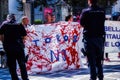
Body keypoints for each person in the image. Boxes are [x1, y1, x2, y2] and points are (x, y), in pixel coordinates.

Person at [80, 0, 105, 80]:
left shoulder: (85, 12)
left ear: (89, 1)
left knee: (91, 61)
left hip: (89, 38)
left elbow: (82, 24)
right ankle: (101, 77)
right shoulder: (102, 11)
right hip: (99, 38)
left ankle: (93, 78)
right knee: (99, 61)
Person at [0, 14, 29, 80]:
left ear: (7, 18)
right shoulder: (19, 24)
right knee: (22, 64)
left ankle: (14, 78)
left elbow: (1, 35)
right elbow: (25, 36)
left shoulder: (4, 25)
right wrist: (21, 42)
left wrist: (4, 43)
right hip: (19, 47)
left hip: (9, 48)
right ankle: (25, 78)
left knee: (12, 65)